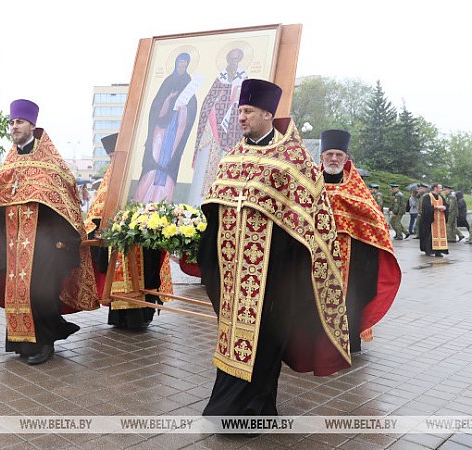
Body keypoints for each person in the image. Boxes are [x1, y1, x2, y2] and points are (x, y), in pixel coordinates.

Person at [198, 79, 351, 416]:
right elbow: (215, 210)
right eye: (239, 111)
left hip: (274, 277)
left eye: (248, 111)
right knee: (231, 337)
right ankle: (229, 407)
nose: (241, 117)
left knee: (265, 342)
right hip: (234, 274)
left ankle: (252, 410)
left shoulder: (292, 158)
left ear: (268, 114)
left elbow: (313, 218)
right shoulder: (232, 157)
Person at [0, 99, 99, 365]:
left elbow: (65, 201)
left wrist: (61, 242)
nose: (14, 127)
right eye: (11, 123)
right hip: (13, 240)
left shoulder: (51, 162)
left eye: (19, 122)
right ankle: (23, 344)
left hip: (45, 243)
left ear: (32, 124)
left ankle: (44, 343)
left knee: (40, 293)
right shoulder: (8, 163)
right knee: (16, 292)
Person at [319, 129, 401, 354]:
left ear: (346, 159)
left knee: (350, 300)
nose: (334, 159)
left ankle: (346, 342)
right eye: (329, 154)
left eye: (338, 155)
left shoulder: (358, 191)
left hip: (351, 261)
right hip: (314, 256)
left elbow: (374, 223)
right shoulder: (310, 187)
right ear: (322, 158)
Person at [85, 133, 174, 330]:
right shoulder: (109, 179)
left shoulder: (140, 176)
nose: (113, 161)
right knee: (117, 281)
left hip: (141, 240)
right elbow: (97, 209)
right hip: (116, 241)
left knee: (142, 277)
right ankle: (120, 318)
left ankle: (141, 316)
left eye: (116, 156)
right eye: (110, 158)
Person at [135, 52, 199, 203]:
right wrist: (168, 101)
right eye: (180, 62)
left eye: (185, 63)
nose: (182, 65)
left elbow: (192, 105)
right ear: (176, 63)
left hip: (177, 128)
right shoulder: (168, 81)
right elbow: (156, 106)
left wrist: (183, 109)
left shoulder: (188, 82)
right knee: (156, 155)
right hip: (161, 127)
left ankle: (164, 197)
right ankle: (145, 194)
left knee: (169, 157)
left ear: (188, 64)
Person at [188, 47, 247, 205]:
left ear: (239, 60)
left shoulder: (242, 77)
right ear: (227, 60)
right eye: (231, 58)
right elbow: (209, 99)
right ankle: (197, 200)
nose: (233, 61)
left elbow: (242, 105)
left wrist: (232, 107)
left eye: (236, 58)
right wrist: (214, 107)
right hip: (211, 124)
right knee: (204, 158)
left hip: (229, 130)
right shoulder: (220, 77)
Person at [419, 183, 449, 257]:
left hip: (440, 221)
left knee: (439, 236)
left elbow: (446, 205)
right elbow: (426, 207)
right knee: (429, 236)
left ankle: (438, 251)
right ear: (435, 188)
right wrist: (436, 207)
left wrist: (445, 208)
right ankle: (428, 250)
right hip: (430, 220)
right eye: (440, 188)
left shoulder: (441, 197)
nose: (441, 190)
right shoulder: (427, 197)